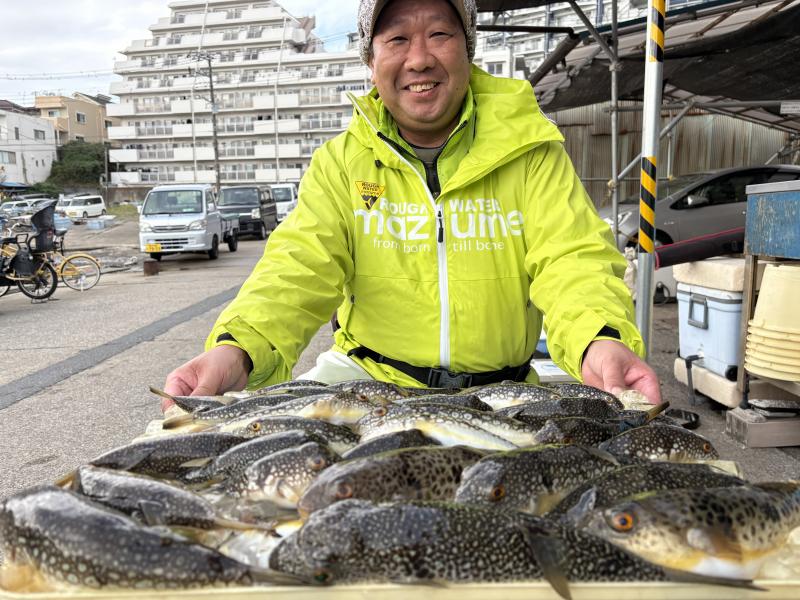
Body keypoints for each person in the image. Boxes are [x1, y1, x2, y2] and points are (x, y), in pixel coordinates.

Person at [163, 0, 661, 409]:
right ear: (370, 59)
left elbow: (572, 258)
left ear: (468, 50)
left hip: (500, 392)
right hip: (364, 381)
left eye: (439, 35)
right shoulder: (341, 162)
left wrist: (600, 338)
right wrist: (236, 348)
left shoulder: (532, 151)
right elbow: (297, 268)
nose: (419, 59)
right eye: (397, 39)